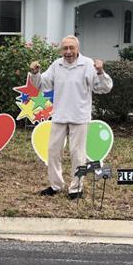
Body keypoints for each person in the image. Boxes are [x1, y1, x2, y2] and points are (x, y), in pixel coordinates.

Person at [30, 35, 113, 199]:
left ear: (77, 49)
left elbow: (104, 88)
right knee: (53, 152)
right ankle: (56, 185)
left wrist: (101, 72)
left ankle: (76, 188)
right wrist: (35, 73)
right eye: (65, 48)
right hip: (59, 116)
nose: (68, 52)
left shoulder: (88, 64)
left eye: (71, 48)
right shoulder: (57, 64)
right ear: (61, 50)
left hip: (79, 117)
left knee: (78, 154)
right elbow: (42, 84)